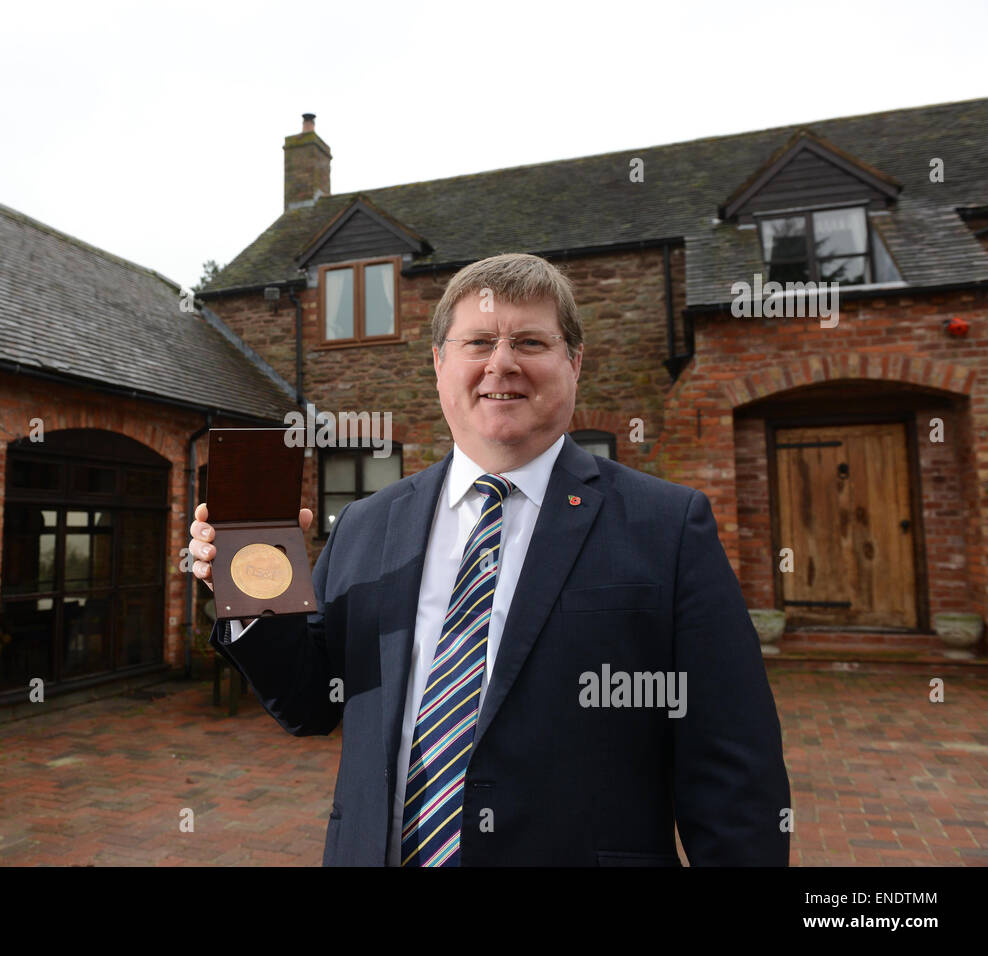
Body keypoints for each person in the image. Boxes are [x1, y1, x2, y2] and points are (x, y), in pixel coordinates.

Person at [189, 252, 791, 867]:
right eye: (478, 341)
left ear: (574, 363)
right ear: (439, 363)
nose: (501, 363)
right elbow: (310, 705)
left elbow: (733, 770)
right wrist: (253, 596)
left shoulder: (667, 526)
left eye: (530, 341)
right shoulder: (368, 525)